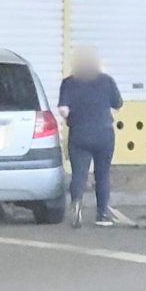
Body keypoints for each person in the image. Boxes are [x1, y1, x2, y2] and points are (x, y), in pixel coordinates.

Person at [58, 47, 123, 228]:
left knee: (79, 173)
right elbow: (118, 104)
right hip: (104, 133)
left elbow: (63, 109)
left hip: (79, 133)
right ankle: (102, 215)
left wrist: (73, 113)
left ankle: (77, 203)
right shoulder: (107, 81)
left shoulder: (68, 83)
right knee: (102, 174)